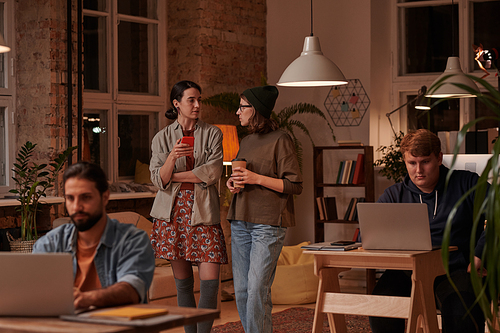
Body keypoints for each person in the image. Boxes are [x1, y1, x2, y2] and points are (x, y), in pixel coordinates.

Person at [370, 129, 486, 333]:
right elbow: (370, 236)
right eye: (411, 163)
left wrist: (479, 255)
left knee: (462, 310)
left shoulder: (468, 183)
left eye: (425, 161)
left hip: (455, 269)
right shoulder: (394, 195)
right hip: (408, 271)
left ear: (439, 158)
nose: (418, 170)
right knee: (380, 306)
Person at [149, 80, 227, 333]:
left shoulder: (213, 133)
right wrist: (172, 158)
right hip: (172, 216)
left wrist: (173, 176)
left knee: (210, 284)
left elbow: (213, 173)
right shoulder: (161, 138)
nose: (197, 105)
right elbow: (158, 179)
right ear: (177, 103)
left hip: (204, 212)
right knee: (182, 285)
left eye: (199, 100)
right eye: (191, 100)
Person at [226, 85, 303, 333]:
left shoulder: (281, 139)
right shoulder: (246, 141)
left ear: (256, 109)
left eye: (242, 106)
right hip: (240, 220)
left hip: (268, 224)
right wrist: (233, 183)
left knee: (257, 289)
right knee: (241, 291)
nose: (238, 112)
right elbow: (242, 176)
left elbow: (295, 185)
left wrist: (255, 178)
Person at [33, 161, 155, 310]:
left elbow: (131, 290)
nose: (76, 206)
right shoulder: (49, 244)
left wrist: (86, 299)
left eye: (86, 197)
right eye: (70, 198)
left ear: (105, 197)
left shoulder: (133, 240)